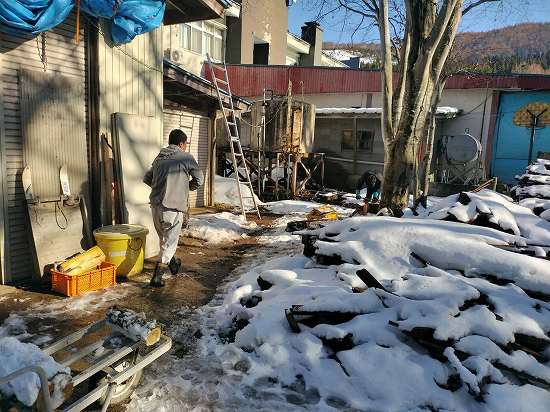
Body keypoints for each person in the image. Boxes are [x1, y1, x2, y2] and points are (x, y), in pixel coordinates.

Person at [143, 129, 204, 287]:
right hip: (173, 207)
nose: (185, 147)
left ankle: (174, 264)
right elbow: (199, 179)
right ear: (181, 144)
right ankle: (157, 277)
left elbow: (147, 178)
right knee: (169, 242)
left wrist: (160, 188)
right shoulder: (185, 157)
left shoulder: (159, 158)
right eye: (185, 144)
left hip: (156, 206)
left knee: (165, 241)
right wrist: (186, 188)